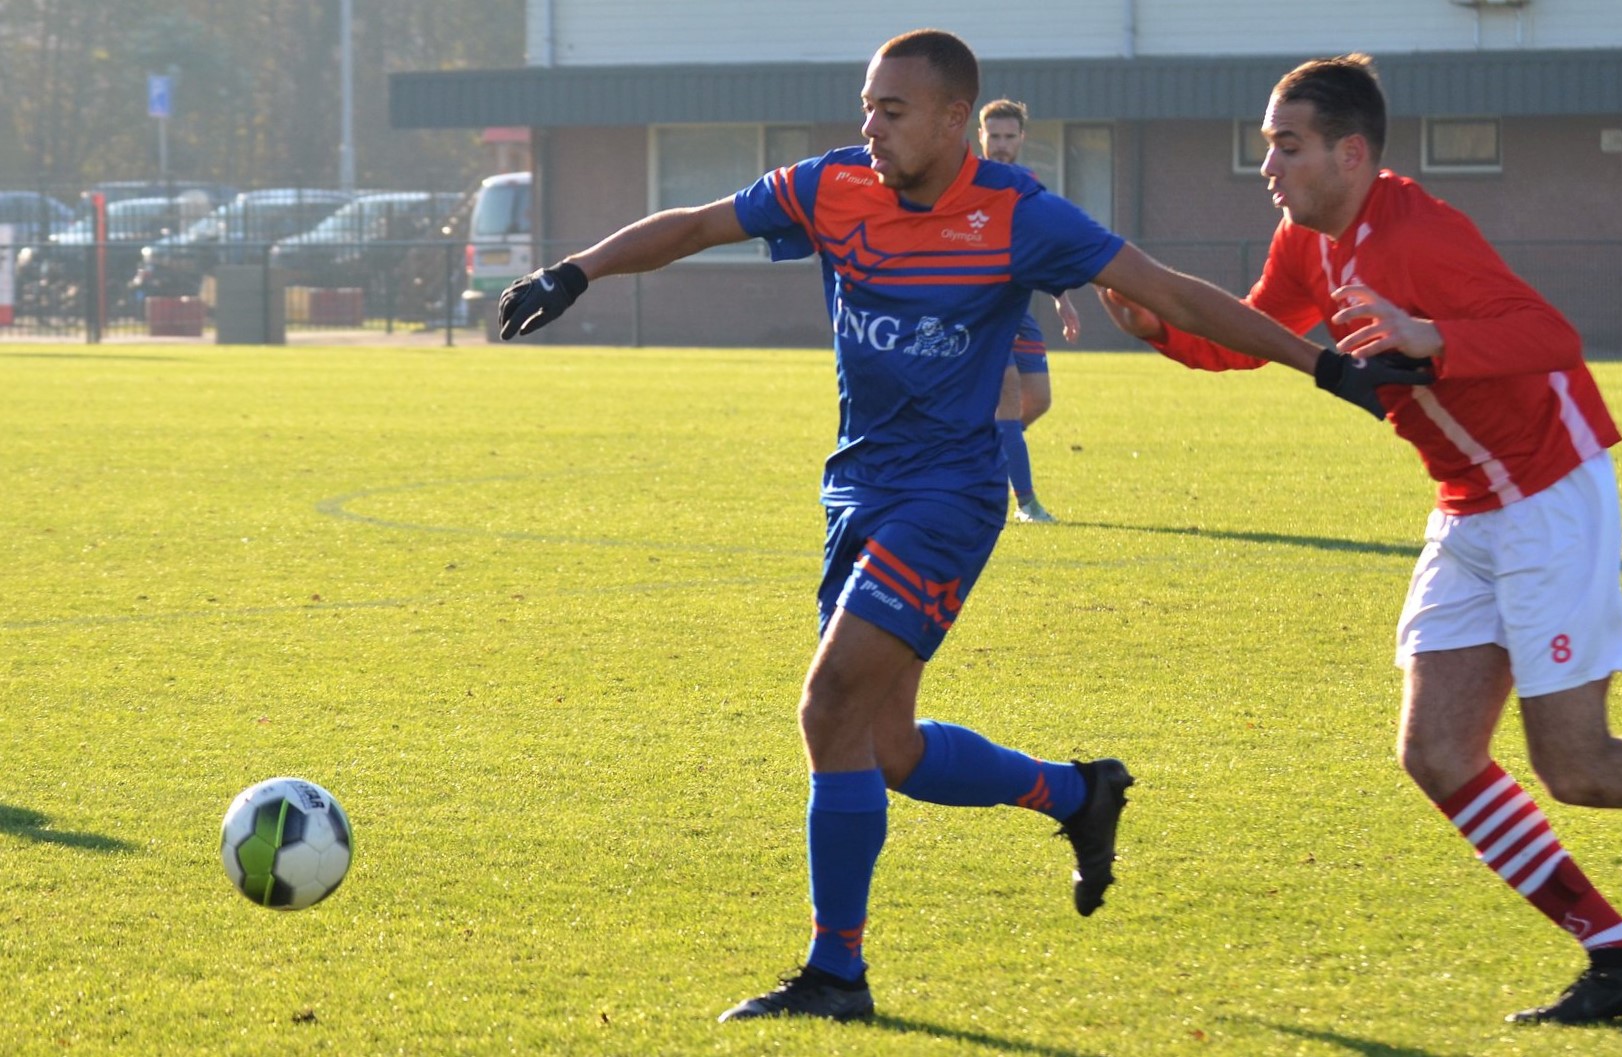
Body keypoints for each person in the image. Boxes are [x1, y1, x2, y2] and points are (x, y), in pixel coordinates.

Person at [498, 30, 1424, 1024]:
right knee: (884, 746)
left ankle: (835, 972)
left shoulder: (1020, 215)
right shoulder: (830, 186)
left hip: (949, 497)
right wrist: (574, 272)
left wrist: (1323, 365)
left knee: (827, 707)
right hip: (856, 490)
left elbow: (1171, 292)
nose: (870, 127)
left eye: (891, 111)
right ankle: (1078, 795)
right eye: (867, 106)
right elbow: (695, 224)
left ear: (952, 118)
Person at [1100, 53, 1622, 1025]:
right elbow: (1257, 334)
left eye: (1286, 146)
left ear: (1351, 153)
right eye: (1266, 146)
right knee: (1436, 751)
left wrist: (1433, 340)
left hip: (1549, 494)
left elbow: (1549, 335)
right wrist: (1159, 331)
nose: (1269, 166)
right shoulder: (1307, 244)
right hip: (1467, 501)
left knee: (1582, 768)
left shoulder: (1421, 233)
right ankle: (1619, 954)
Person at [978, 98, 1076, 523]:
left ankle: (976, 456)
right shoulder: (967, 182)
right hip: (979, 310)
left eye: (1008, 136)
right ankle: (1026, 504)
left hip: (1017, 306)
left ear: (1021, 138)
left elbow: (1036, 246)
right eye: (993, 136)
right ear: (979, 137)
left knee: (1037, 400)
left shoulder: (1027, 184)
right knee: (1009, 394)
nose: (1001, 145)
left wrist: (1061, 295)